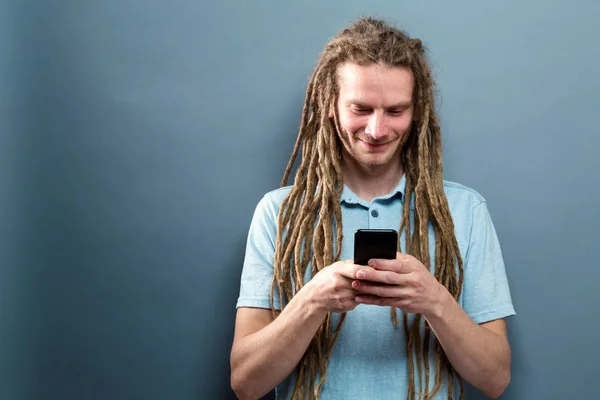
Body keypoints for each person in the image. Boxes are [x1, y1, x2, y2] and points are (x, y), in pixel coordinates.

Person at [230, 16, 515, 400]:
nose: (377, 130)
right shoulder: (279, 213)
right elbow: (245, 384)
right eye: (361, 108)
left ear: (417, 114)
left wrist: (435, 301)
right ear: (330, 105)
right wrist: (312, 301)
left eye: (395, 111)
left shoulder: (465, 211)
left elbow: (495, 379)